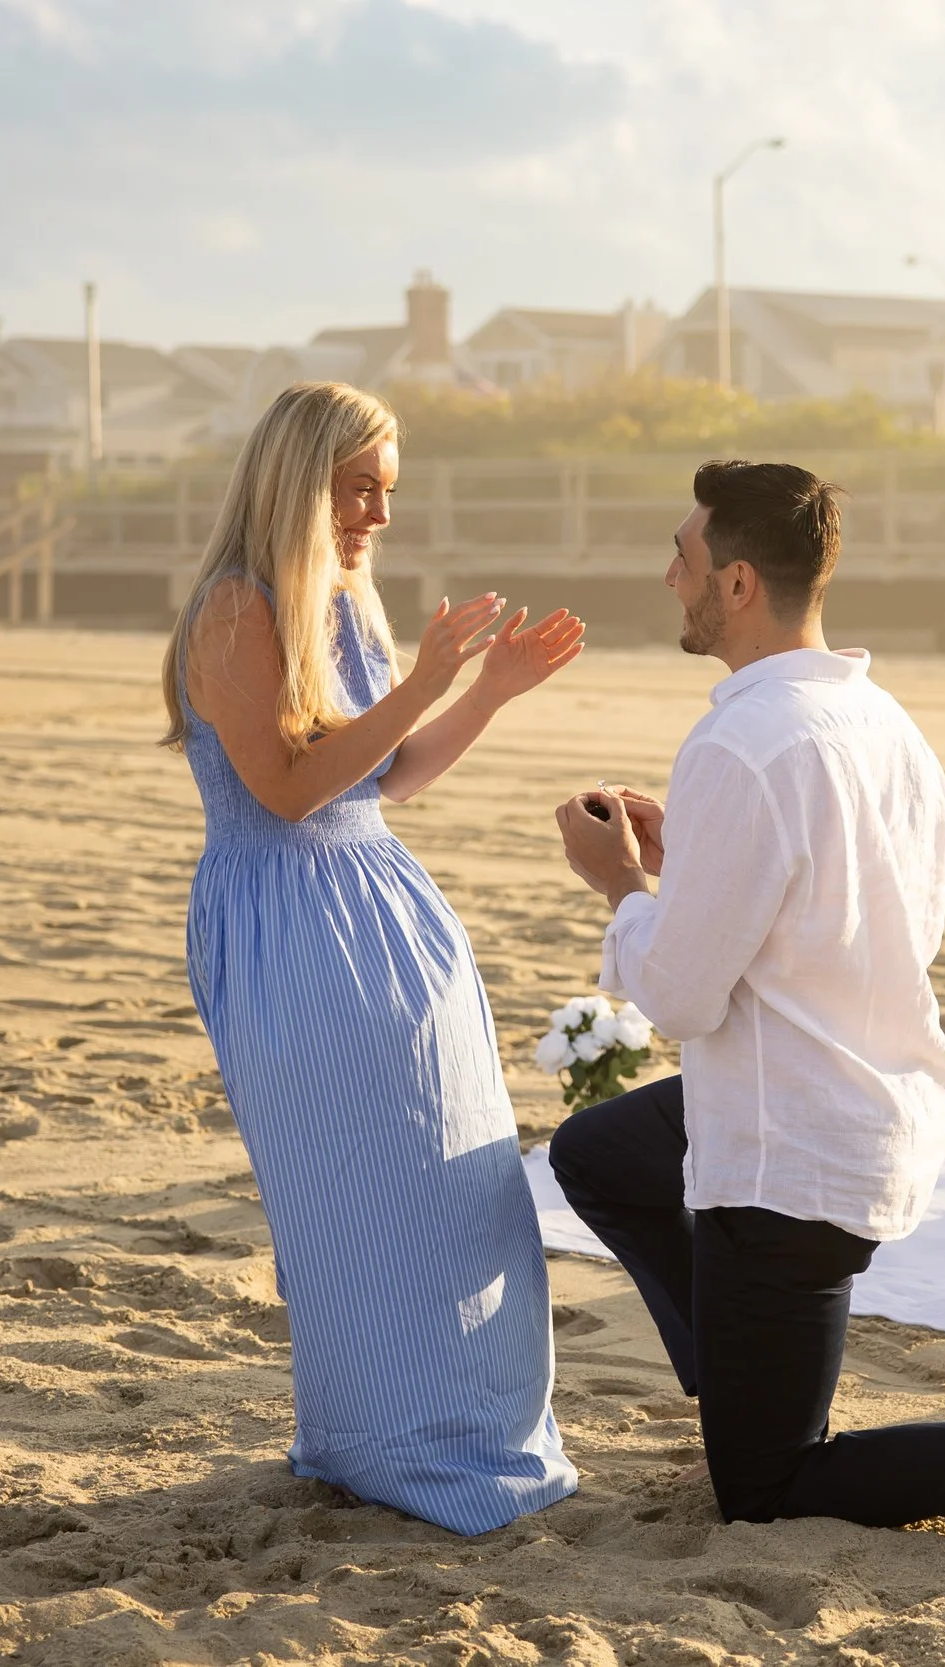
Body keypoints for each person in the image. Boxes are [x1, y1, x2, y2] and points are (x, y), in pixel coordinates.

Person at [549, 460, 945, 1531]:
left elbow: (679, 999)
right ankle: (737, 1362)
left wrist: (621, 885)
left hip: (790, 1158)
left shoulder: (738, 741)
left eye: (683, 557)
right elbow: (865, 918)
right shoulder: (881, 720)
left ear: (739, 582)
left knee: (768, 1490)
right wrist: (694, 861)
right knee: (598, 1153)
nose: (670, 577)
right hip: (869, 1102)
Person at [164, 381, 587, 1536]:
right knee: (348, 1196)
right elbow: (288, 791)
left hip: (387, 908)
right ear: (296, 480)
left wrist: (487, 688)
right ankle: (378, 1439)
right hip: (287, 921)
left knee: (454, 1181)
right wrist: (424, 683)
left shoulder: (346, 596)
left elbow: (389, 777)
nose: (378, 516)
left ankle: (476, 1430)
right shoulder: (236, 610)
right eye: (359, 490)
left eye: (388, 491)